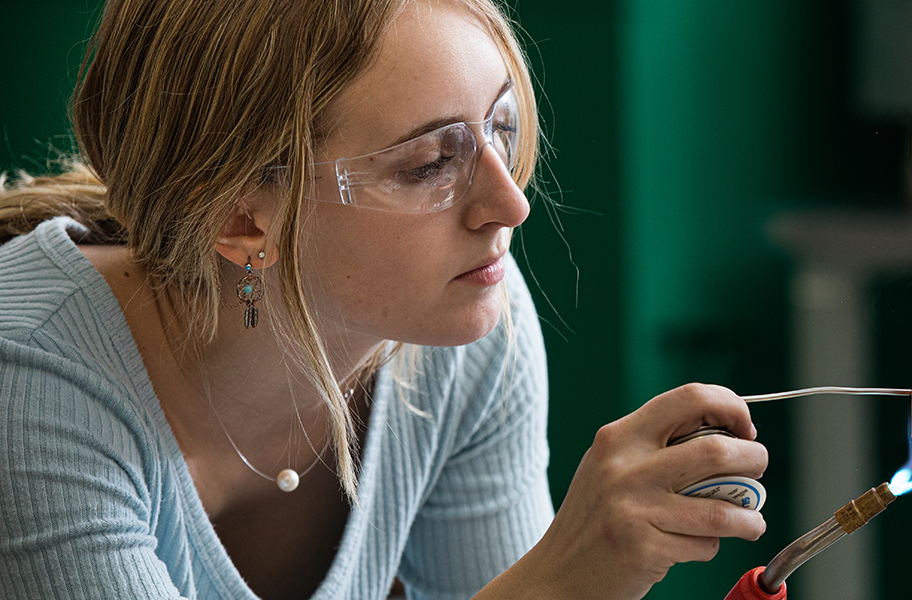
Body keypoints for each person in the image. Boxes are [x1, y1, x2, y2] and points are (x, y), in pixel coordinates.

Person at [0, 0, 768, 599]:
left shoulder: (463, 329)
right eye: (431, 162)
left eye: (500, 126)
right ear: (240, 216)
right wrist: (565, 577)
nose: (509, 205)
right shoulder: (29, 387)